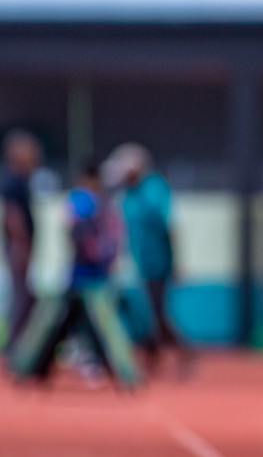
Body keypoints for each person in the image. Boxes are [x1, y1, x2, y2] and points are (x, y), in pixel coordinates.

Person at [7, 161, 140, 388]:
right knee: (96, 323)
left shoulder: (81, 199)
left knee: (65, 321)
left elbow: (70, 226)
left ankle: (30, 365)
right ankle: (104, 364)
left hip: (83, 273)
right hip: (95, 273)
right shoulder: (103, 202)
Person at [103, 143, 191, 377]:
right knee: (148, 311)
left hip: (159, 262)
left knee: (156, 311)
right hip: (140, 263)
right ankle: (154, 356)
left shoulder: (154, 189)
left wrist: (177, 262)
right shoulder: (127, 195)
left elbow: (169, 226)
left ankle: (179, 353)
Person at [2, 129, 42, 351]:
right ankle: (14, 344)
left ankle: (19, 342)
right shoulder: (14, 182)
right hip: (19, 247)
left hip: (20, 246)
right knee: (21, 296)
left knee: (25, 295)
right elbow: (12, 217)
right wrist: (20, 246)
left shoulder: (21, 181)